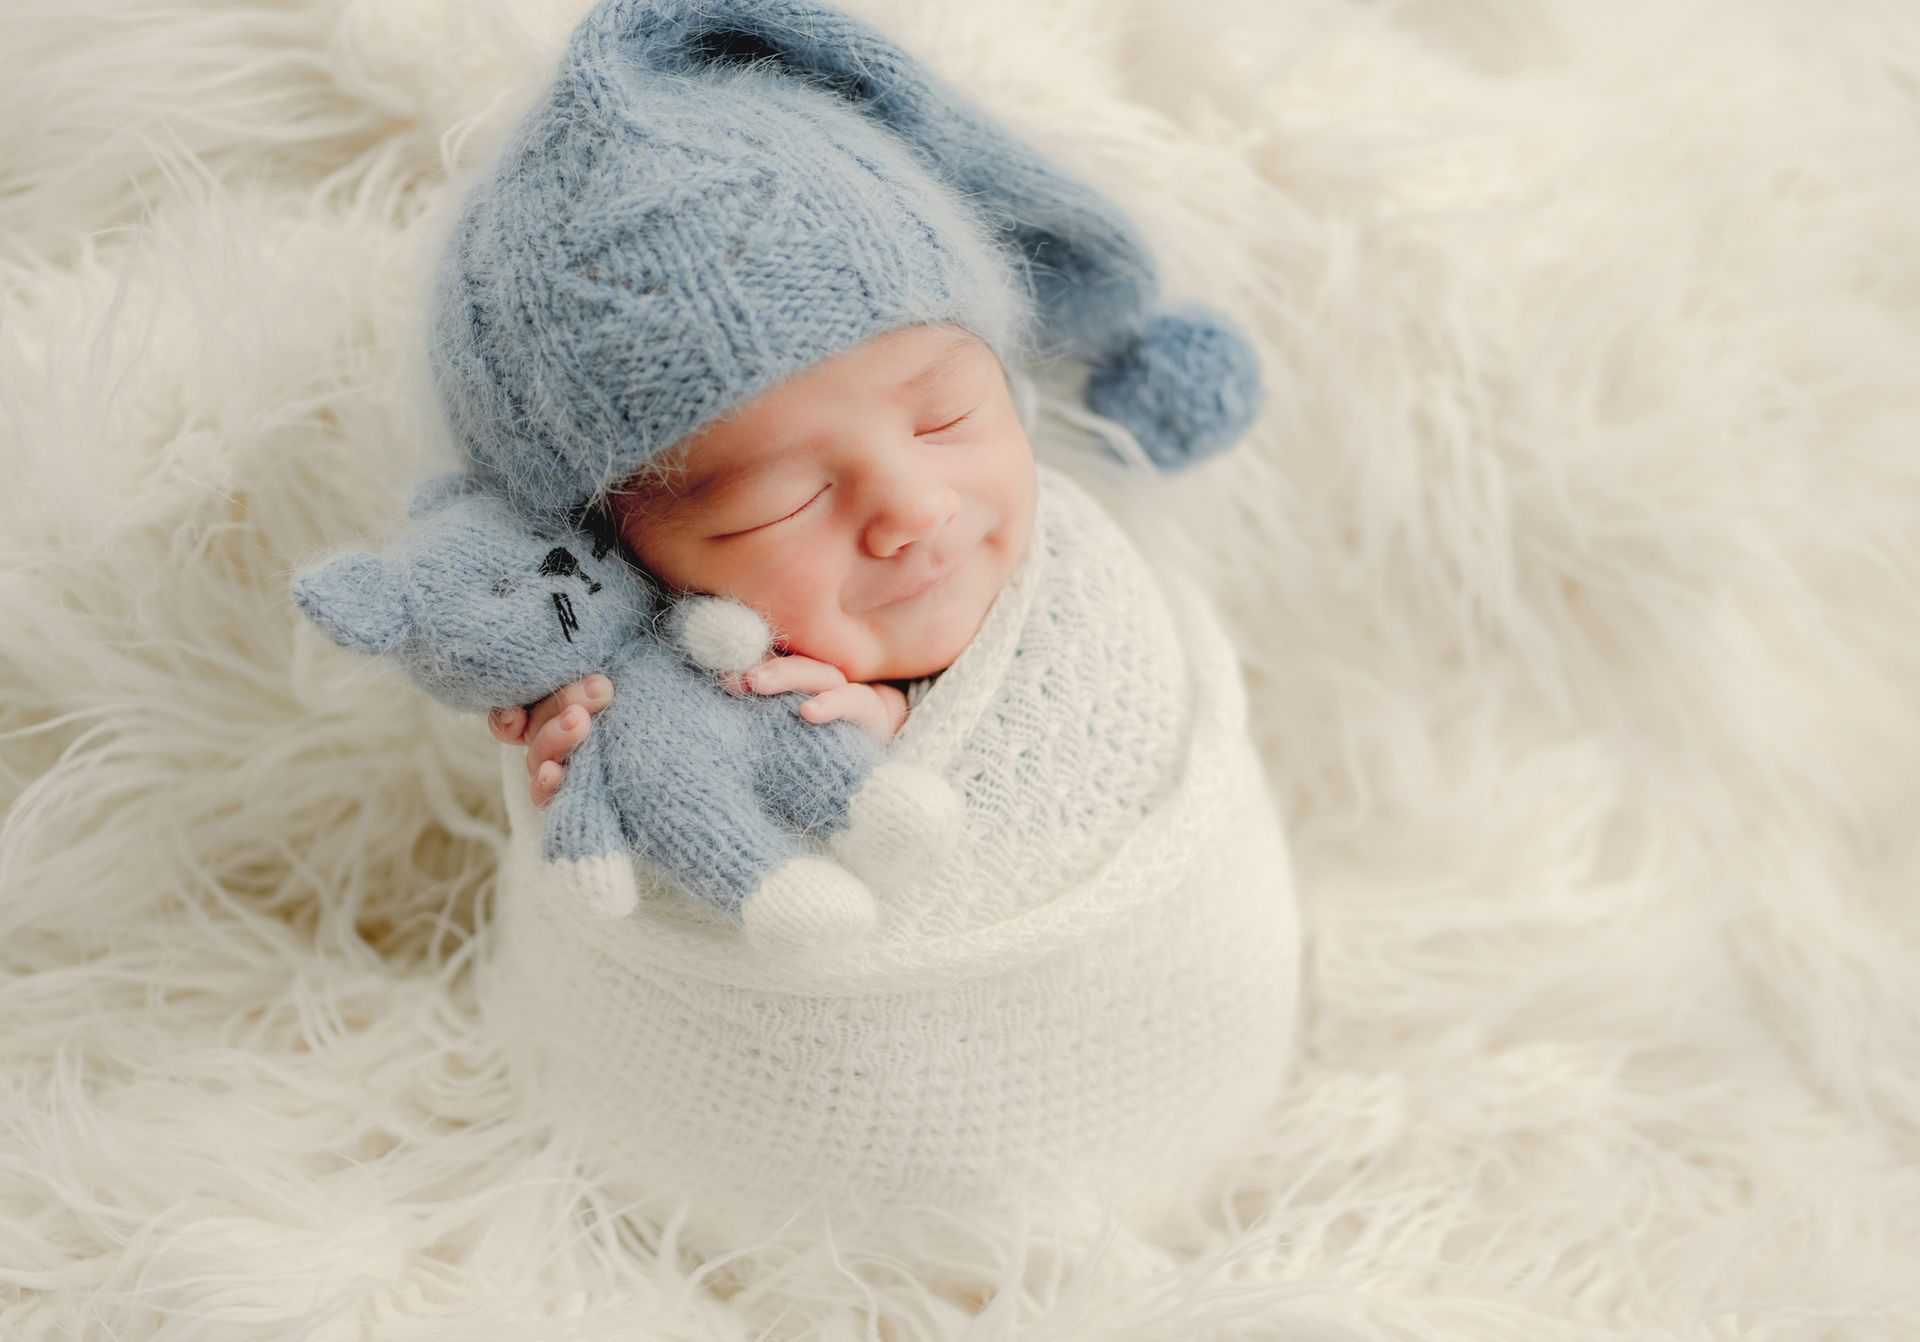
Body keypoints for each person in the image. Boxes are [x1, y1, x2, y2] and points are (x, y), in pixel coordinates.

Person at [486, 321, 1036, 805]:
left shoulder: (1069, 547)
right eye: (784, 504)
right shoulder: (666, 695)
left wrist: (903, 713)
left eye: (945, 418)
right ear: (621, 568)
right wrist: (624, 744)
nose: (920, 509)